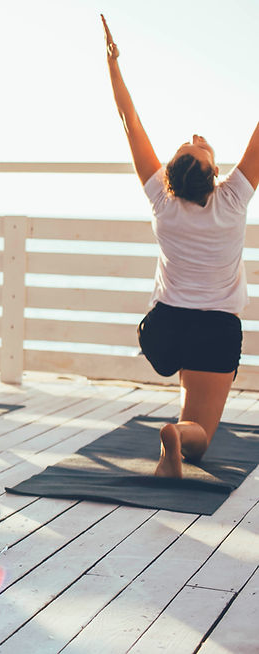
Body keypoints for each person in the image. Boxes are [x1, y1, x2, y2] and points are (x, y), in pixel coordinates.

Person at [102, 15, 259, 478]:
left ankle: (177, 429)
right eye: (196, 146)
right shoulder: (233, 199)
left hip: (165, 331)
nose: (194, 137)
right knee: (202, 437)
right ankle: (178, 434)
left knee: (191, 393)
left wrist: (114, 67)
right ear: (214, 174)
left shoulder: (162, 202)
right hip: (214, 330)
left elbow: (129, 123)